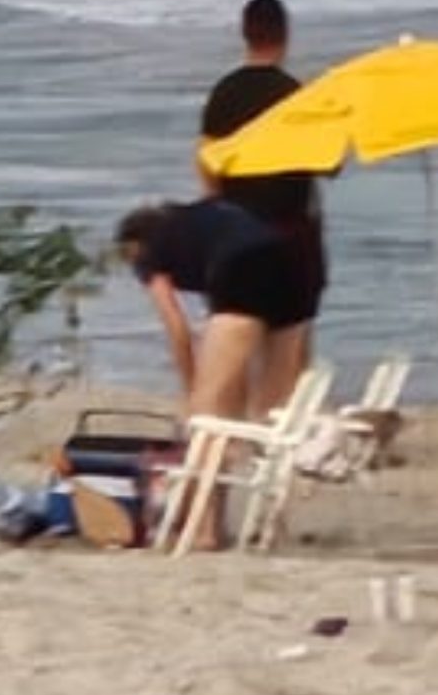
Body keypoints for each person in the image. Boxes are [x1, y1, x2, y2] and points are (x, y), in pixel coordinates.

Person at [115, 196, 313, 546]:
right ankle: (272, 525)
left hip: (243, 269)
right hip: (295, 270)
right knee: (272, 417)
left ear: (134, 245)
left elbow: (177, 327)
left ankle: (207, 530)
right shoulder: (199, 225)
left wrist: (193, 389)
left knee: (208, 419)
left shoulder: (149, 250)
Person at [197, 0, 327, 411]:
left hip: (234, 235)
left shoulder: (225, 93)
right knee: (285, 355)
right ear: (285, 36)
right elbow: (328, 162)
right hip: (291, 237)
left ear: (245, 34)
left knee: (229, 350)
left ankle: (223, 441)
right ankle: (267, 441)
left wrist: (220, 205)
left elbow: (207, 161)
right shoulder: (297, 95)